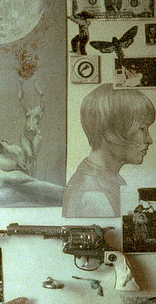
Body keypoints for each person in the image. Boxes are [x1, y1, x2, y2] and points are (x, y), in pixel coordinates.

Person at [63, 84, 155, 218]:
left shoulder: (108, 178)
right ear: (112, 131)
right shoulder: (94, 194)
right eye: (142, 129)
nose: (149, 140)